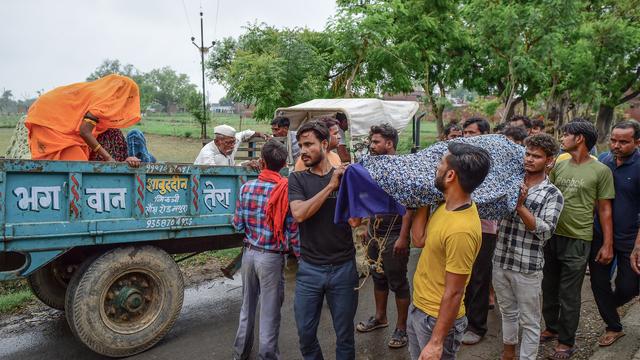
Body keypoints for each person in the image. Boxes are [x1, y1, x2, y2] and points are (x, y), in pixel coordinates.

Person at [408, 142, 491, 360]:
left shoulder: (461, 230)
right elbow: (419, 240)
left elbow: (455, 291)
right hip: (419, 307)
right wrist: (421, 200)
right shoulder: (446, 205)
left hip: (436, 321)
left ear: (451, 175)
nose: (436, 166)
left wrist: (436, 342)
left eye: (440, 163)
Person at [542, 119, 615, 360]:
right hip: (552, 235)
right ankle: (552, 327)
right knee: (548, 287)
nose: (562, 138)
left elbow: (604, 209)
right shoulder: (560, 166)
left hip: (579, 237)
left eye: (566, 135)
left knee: (569, 292)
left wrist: (607, 243)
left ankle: (566, 342)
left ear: (579, 138)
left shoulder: (600, 171)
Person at [288, 121, 357, 360]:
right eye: (300, 145)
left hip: (343, 268)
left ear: (325, 144)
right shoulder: (297, 179)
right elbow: (299, 214)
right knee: (306, 335)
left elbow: (356, 222)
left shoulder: (344, 177)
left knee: (345, 337)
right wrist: (330, 187)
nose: (303, 150)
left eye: (309, 144)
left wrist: (354, 188)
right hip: (310, 270)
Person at [493, 134, 564, 360]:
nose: (529, 159)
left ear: (550, 160)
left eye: (537, 156)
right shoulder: (512, 182)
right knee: (507, 313)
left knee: (530, 321)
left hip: (528, 266)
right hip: (501, 259)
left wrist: (521, 206)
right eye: (528, 154)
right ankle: (508, 354)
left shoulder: (553, 194)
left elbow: (545, 230)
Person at [232, 139, 299, 360]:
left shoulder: (246, 188)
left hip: (249, 254)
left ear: (261, 162)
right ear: (283, 164)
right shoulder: (285, 191)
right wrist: (301, 255)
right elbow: (292, 231)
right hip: (271, 258)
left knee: (247, 308)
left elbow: (238, 225)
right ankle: (267, 356)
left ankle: (240, 353)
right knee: (269, 313)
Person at [353, 124, 412, 349]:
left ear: (389, 144)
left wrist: (404, 236)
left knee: (397, 281)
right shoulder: (372, 167)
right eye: (371, 141)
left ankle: (402, 328)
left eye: (376, 142)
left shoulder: (402, 168)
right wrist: (367, 227)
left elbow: (410, 204)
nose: (372, 145)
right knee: (378, 276)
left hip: (395, 232)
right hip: (375, 231)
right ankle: (380, 318)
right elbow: (369, 199)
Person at [590, 121, 640, 347]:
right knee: (598, 282)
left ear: (637, 142)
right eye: (613, 140)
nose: (616, 145)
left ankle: (611, 304)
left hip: (632, 237)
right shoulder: (604, 160)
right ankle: (613, 326)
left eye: (623, 142)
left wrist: (638, 245)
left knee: (629, 286)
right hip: (601, 234)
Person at [25, 74, 141, 161]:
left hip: (50, 117)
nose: (128, 103)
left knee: (76, 165)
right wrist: (108, 158)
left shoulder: (99, 95)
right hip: (47, 118)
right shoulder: (104, 99)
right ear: (121, 93)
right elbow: (85, 132)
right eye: (129, 97)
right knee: (77, 165)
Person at [461, 116, 496, 345]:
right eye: (465, 132)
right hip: (461, 224)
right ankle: (460, 321)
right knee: (460, 275)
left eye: (471, 133)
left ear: (484, 134)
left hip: (485, 227)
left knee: (479, 278)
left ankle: (477, 326)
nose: (467, 137)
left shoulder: (493, 161)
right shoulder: (460, 159)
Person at [194, 124, 267, 166]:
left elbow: (244, 134)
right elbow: (215, 174)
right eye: (228, 143)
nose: (232, 146)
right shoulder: (207, 153)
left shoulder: (233, 142)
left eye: (233, 142)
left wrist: (260, 134)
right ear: (217, 142)